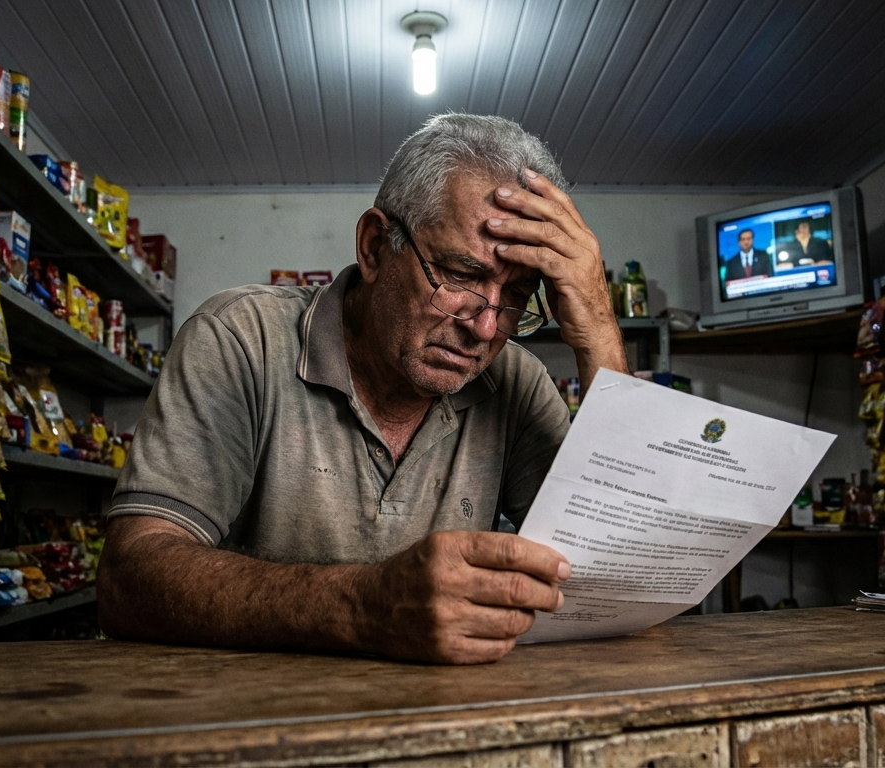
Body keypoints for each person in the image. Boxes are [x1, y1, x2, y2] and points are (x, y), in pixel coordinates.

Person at [97, 114, 629, 665]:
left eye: (516, 295)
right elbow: (128, 578)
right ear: (375, 247)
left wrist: (599, 335)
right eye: (460, 276)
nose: (486, 327)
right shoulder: (239, 339)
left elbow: (621, 579)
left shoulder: (515, 383)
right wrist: (364, 605)